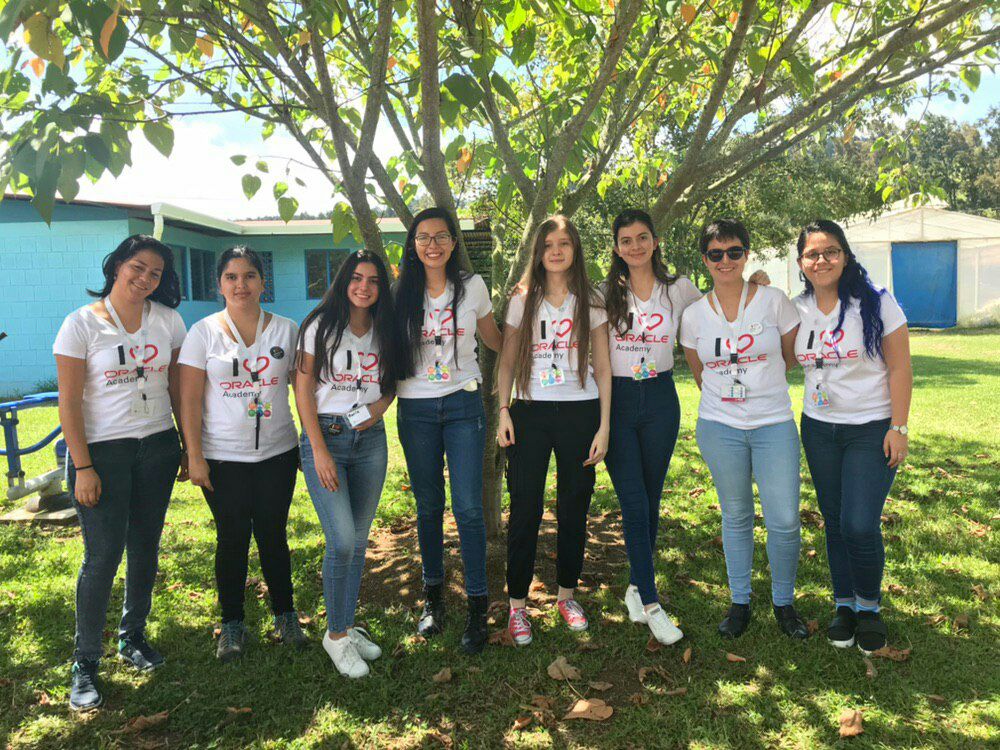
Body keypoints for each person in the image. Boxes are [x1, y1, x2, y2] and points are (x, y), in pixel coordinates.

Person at [54, 235, 187, 711]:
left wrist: (188, 447)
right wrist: (83, 466)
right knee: (102, 555)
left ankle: (132, 637)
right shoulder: (80, 325)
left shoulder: (168, 321)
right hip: (102, 455)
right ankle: (84, 660)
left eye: (155, 273)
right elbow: (68, 401)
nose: (145, 278)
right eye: (137, 267)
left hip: (156, 447)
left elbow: (178, 389)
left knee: (145, 547)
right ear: (116, 266)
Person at [679, 219, 809, 640]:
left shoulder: (774, 301)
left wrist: (758, 382)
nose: (725, 260)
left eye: (734, 251)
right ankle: (739, 602)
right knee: (735, 515)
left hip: (773, 422)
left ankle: (784, 602)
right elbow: (700, 373)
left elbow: (791, 357)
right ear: (705, 259)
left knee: (786, 519)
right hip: (720, 426)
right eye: (715, 253)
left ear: (746, 254)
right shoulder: (694, 314)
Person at [179, 247, 306, 662]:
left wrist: (310, 444)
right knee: (232, 538)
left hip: (278, 453)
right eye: (231, 277)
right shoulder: (203, 333)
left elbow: (305, 393)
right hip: (222, 458)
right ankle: (232, 623)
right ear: (219, 284)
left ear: (262, 283)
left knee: (273, 534)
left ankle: (285, 615)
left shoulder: (288, 330)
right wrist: (194, 455)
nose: (241, 285)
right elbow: (190, 399)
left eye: (250, 276)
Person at [793, 219, 912, 654]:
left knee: (860, 523)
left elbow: (900, 367)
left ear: (845, 256)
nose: (821, 260)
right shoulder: (797, 308)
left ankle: (869, 608)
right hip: (819, 428)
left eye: (830, 251)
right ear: (801, 262)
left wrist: (898, 427)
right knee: (835, 519)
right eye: (812, 253)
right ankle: (844, 604)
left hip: (871, 427)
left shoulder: (877, 302)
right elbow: (781, 355)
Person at [497, 214, 612, 645]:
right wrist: (504, 410)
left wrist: (603, 425)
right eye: (549, 245)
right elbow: (507, 361)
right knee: (524, 508)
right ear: (538, 252)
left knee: (573, 507)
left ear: (575, 249)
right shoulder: (522, 300)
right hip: (528, 412)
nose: (557, 251)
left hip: (580, 414)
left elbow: (602, 367)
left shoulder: (593, 300)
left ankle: (566, 594)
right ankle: (517, 608)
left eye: (564, 243)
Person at [393, 207, 503, 654]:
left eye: (441, 237)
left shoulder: (473, 286)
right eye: (423, 237)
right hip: (415, 407)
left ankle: (478, 605)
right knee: (428, 507)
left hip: (462, 403)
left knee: (469, 508)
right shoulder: (400, 291)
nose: (432, 244)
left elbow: (494, 338)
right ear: (413, 245)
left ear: (454, 243)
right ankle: (433, 599)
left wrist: (531, 327)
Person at [601, 209, 701, 645]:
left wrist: (754, 286)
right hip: (618, 400)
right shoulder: (602, 292)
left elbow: (720, 308)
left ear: (655, 241)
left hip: (661, 398)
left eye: (642, 238)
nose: (635, 246)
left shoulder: (678, 289)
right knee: (634, 502)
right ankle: (652, 605)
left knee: (651, 498)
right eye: (626, 240)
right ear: (616, 247)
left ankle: (634, 586)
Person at [296, 250, 398, 678]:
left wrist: (379, 407)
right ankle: (335, 637)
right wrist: (317, 449)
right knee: (340, 541)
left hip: (370, 441)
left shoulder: (385, 329)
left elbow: (392, 383)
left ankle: (345, 627)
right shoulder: (320, 326)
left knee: (357, 541)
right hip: (328, 438)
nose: (364, 287)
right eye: (357, 278)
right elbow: (302, 389)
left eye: (373, 281)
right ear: (344, 281)